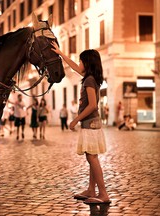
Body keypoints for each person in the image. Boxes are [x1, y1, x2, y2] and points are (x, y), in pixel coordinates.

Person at [52, 42, 111, 204]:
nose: (79, 64)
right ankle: (91, 190)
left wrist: (75, 120)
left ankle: (103, 194)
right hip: (92, 123)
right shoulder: (90, 78)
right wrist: (61, 53)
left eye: (81, 61)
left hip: (90, 123)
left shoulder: (89, 81)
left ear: (87, 63)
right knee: (91, 156)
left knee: (92, 158)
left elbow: (92, 105)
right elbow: (73, 67)